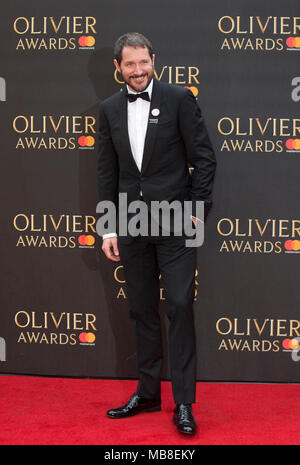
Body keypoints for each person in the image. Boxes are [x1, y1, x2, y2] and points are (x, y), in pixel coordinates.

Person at [97, 32, 216, 435]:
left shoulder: (179, 99)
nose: (137, 71)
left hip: (177, 221)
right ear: (118, 68)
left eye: (142, 62)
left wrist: (197, 211)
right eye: (129, 64)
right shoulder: (109, 109)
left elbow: (204, 157)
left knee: (180, 305)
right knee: (142, 310)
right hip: (131, 223)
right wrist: (108, 226)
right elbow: (106, 173)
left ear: (154, 60)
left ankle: (183, 401)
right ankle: (148, 393)